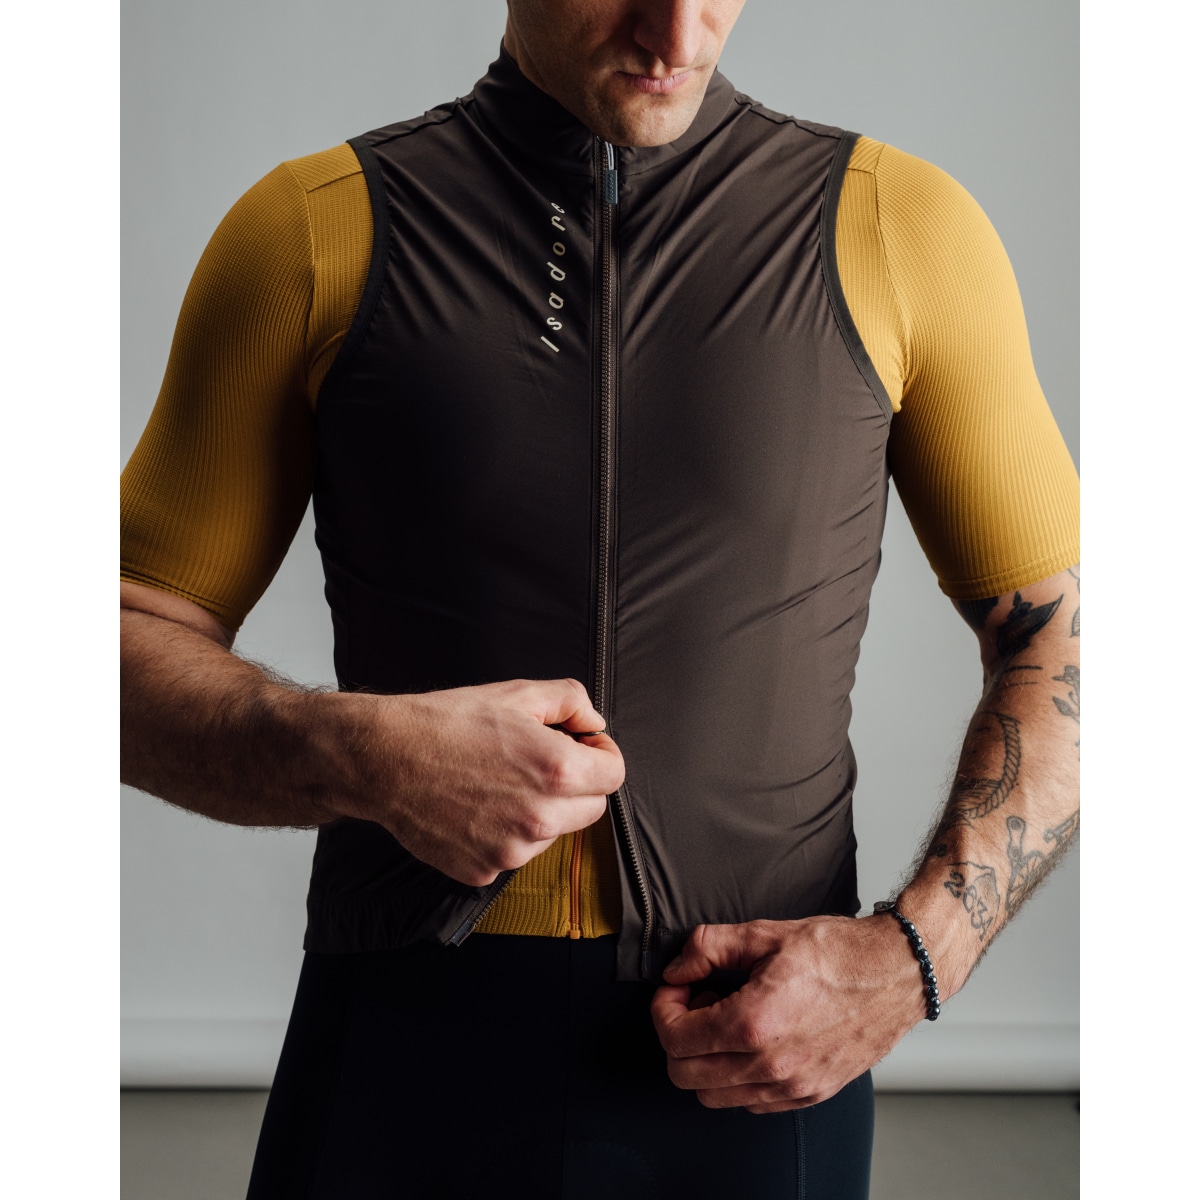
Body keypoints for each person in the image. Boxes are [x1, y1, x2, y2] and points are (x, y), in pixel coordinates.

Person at [120, 1, 1080, 1195]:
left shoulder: (901, 230)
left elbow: (1071, 642)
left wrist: (913, 960)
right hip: (401, 1049)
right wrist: (360, 753)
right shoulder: (312, 235)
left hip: (759, 1055)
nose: (675, 33)